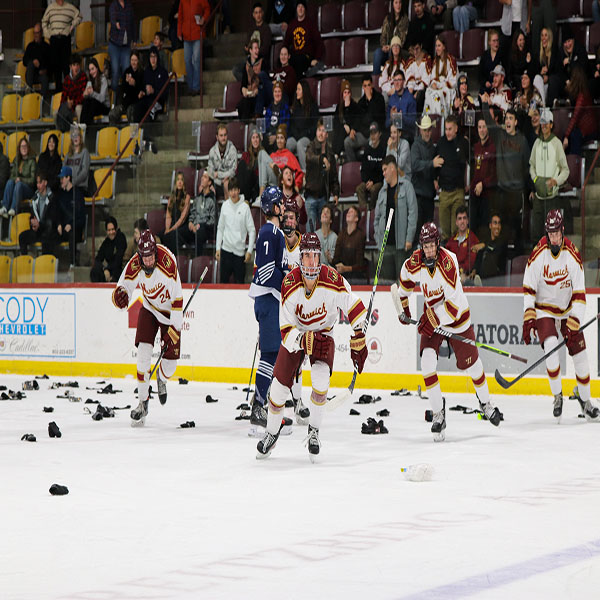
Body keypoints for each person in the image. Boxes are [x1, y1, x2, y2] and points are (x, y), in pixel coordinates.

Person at [256, 232, 368, 461]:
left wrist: (359, 335)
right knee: (277, 389)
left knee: (320, 383)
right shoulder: (289, 283)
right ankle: (271, 432)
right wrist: (302, 340)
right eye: (307, 256)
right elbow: (285, 330)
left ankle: (314, 431)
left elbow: (354, 305)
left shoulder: (333, 279)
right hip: (296, 337)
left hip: (323, 334)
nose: (312, 262)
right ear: (300, 258)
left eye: (315, 256)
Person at [395, 221, 502, 442]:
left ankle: (486, 402)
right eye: (426, 246)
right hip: (432, 317)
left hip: (456, 318)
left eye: (433, 245)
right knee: (426, 364)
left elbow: (452, 308)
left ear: (438, 244)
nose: (430, 250)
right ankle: (438, 413)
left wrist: (432, 319)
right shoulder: (415, 262)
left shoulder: (449, 262)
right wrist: (404, 308)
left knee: (473, 366)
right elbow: (404, 281)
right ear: (421, 247)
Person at [522, 209, 598, 422]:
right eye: (550, 233)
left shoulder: (572, 254)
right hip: (545, 309)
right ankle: (557, 397)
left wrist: (574, 325)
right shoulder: (538, 254)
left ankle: (586, 401)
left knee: (581, 356)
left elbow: (580, 295)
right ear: (546, 233)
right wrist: (529, 317)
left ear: (563, 230)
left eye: (557, 233)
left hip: (567, 311)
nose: (554, 237)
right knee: (551, 352)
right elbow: (528, 289)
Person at [113, 230, 183, 425]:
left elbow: (178, 298)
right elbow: (122, 289)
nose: (149, 262)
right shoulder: (135, 265)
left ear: (155, 253)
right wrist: (120, 299)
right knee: (143, 357)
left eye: (151, 256)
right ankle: (143, 403)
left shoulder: (168, 264)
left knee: (171, 365)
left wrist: (175, 328)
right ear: (140, 256)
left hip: (169, 314)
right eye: (146, 258)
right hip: (149, 309)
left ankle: (161, 378)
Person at [248, 186, 288, 434]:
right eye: (281, 203)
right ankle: (259, 407)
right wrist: (287, 285)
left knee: (273, 355)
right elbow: (264, 271)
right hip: (269, 301)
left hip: (271, 301)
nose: (283, 206)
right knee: (270, 356)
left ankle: (264, 408)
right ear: (273, 207)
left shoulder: (275, 232)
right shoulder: (268, 232)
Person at [482, 100, 530, 248]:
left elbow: (527, 166)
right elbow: (489, 122)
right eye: (506, 118)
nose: (507, 121)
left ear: (516, 122)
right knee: (501, 230)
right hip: (501, 191)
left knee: (516, 229)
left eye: (510, 118)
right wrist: (484, 104)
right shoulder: (499, 136)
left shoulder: (522, 141)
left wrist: (528, 189)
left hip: (516, 192)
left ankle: (519, 263)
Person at [529, 108, 569, 244]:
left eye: (547, 123)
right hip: (539, 198)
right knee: (535, 234)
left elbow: (565, 170)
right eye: (542, 123)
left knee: (552, 234)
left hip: (552, 198)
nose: (544, 126)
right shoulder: (537, 143)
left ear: (551, 124)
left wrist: (555, 181)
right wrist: (536, 179)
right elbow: (531, 165)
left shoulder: (556, 143)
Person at [375, 154, 417, 281]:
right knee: (386, 284)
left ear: (393, 168)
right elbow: (376, 218)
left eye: (385, 169)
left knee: (403, 283)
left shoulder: (407, 187)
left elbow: (413, 214)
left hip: (401, 245)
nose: (383, 173)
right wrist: (378, 240)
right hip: (385, 246)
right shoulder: (382, 191)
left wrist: (409, 238)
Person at [434, 115, 468, 241]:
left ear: (456, 129)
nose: (447, 132)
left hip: (458, 191)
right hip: (444, 192)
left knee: (457, 230)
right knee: (445, 231)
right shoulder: (441, 143)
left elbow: (472, 163)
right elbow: (434, 163)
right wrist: (434, 179)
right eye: (446, 129)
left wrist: (472, 182)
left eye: (450, 129)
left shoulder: (463, 143)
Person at [215, 177, 256, 283]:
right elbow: (220, 228)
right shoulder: (225, 206)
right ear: (228, 192)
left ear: (239, 190)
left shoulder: (245, 208)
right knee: (222, 287)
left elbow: (252, 230)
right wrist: (218, 248)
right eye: (231, 190)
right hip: (226, 251)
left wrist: (249, 251)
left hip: (240, 254)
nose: (233, 193)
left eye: (235, 190)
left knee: (240, 286)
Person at [305, 120, 340, 232]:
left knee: (324, 230)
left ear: (327, 134)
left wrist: (335, 193)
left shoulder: (330, 154)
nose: (320, 133)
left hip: (324, 197)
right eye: (319, 130)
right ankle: (309, 249)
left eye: (323, 130)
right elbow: (309, 158)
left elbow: (334, 177)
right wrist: (322, 159)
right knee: (310, 230)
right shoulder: (311, 147)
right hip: (311, 196)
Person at [42, 0, 82, 92]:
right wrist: (48, 34)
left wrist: (73, 25)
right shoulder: (51, 8)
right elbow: (44, 21)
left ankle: (69, 91)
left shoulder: (69, 7)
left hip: (65, 39)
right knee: (56, 67)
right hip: (54, 39)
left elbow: (79, 16)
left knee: (66, 66)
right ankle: (58, 92)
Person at [411, 115, 438, 241]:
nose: (427, 133)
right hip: (419, 195)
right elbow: (415, 165)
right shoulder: (416, 146)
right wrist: (431, 164)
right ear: (421, 131)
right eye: (425, 130)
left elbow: (433, 170)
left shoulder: (433, 148)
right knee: (418, 229)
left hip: (429, 195)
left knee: (428, 231)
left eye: (429, 130)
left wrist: (435, 178)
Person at [469, 116, 496, 238]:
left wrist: (483, 184)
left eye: (484, 127)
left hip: (488, 195)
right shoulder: (476, 147)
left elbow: (495, 174)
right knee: (473, 227)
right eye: (479, 127)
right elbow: (474, 171)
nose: (481, 130)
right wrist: (473, 186)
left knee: (485, 229)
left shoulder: (493, 148)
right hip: (476, 195)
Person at [283, 0, 324, 79]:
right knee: (283, 61)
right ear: (296, 9)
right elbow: (286, 43)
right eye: (299, 7)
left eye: (302, 7)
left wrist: (316, 59)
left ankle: (298, 86)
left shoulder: (310, 24)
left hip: (307, 56)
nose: (300, 9)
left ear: (305, 9)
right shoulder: (292, 24)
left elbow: (319, 44)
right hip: (295, 56)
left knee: (299, 61)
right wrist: (284, 54)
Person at [19, 172, 56, 256]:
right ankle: (25, 262)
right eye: (37, 183)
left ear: (45, 183)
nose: (38, 185)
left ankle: (45, 264)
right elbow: (32, 216)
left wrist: (40, 224)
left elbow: (52, 220)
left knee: (46, 237)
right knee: (22, 236)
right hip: (37, 230)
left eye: (40, 182)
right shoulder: (34, 199)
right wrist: (32, 222)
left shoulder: (52, 199)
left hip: (47, 230)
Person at [258, 124, 303, 193]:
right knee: (261, 153)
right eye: (278, 138)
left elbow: (299, 173)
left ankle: (261, 193)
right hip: (272, 182)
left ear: (285, 141)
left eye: (281, 138)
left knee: (262, 153)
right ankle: (262, 191)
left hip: (282, 183)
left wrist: (296, 186)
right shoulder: (272, 155)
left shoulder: (289, 155)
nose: (279, 141)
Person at [178, 0, 210, 96]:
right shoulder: (182, 1)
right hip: (186, 35)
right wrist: (179, 32)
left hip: (197, 33)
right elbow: (180, 16)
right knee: (187, 61)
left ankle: (196, 87)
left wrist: (204, 18)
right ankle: (191, 87)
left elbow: (207, 9)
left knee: (196, 60)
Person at [233, 2, 272, 81]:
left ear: (263, 13)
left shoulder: (266, 29)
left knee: (257, 72)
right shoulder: (251, 29)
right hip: (250, 60)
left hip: (261, 60)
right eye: (256, 13)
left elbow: (265, 49)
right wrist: (246, 49)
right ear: (253, 15)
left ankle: (253, 82)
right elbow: (247, 45)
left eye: (260, 12)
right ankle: (251, 82)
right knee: (236, 69)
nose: (258, 15)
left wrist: (254, 52)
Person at [445, 205, 484, 286]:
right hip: (453, 276)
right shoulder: (451, 241)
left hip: (465, 276)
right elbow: (447, 261)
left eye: (464, 218)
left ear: (467, 221)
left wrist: (460, 272)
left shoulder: (473, 239)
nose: (462, 221)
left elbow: (470, 262)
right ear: (456, 222)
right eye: (459, 218)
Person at [54, 165, 85, 265]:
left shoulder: (78, 194)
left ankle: (73, 264)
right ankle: (50, 263)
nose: (61, 181)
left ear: (68, 178)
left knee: (72, 233)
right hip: (63, 229)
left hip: (75, 229)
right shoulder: (61, 195)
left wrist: (71, 225)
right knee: (49, 234)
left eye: (62, 178)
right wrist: (59, 224)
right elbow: (58, 213)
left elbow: (82, 218)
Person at [563, 66, 597, 156]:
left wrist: (566, 136)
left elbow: (575, 117)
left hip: (589, 130)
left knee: (574, 136)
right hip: (586, 129)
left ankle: (574, 163)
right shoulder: (581, 94)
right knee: (571, 136)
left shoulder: (582, 96)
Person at [287, 80, 319, 172]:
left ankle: (305, 172)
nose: (296, 91)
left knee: (300, 144)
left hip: (308, 137)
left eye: (299, 89)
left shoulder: (312, 107)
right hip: (296, 136)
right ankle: (288, 171)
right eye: (297, 89)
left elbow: (314, 126)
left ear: (304, 91)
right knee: (289, 143)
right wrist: (295, 134)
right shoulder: (296, 107)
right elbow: (292, 124)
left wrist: (304, 133)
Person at [1, 138, 36, 218]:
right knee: (10, 182)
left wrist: (21, 179)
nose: (23, 148)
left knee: (19, 184)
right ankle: (5, 208)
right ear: (19, 148)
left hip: (28, 189)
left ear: (28, 147)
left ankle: (13, 208)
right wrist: (15, 179)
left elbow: (32, 180)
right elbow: (12, 175)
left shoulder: (32, 161)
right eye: (22, 146)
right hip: (17, 188)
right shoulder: (16, 160)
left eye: (25, 146)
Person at [132, 46, 169, 122]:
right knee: (136, 109)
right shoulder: (146, 71)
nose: (153, 59)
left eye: (154, 56)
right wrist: (142, 92)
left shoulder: (163, 72)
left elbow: (165, 93)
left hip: (158, 101)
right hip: (147, 100)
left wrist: (154, 91)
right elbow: (143, 87)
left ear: (157, 57)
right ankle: (137, 133)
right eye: (151, 57)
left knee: (150, 114)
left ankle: (149, 133)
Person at [423, 35, 457, 117]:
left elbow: (453, 81)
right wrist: (434, 83)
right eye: (436, 46)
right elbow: (432, 77)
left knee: (438, 95)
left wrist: (439, 85)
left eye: (439, 46)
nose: (437, 48)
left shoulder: (451, 60)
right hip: (437, 88)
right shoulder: (435, 61)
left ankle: (440, 118)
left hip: (447, 89)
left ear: (444, 47)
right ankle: (429, 118)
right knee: (428, 92)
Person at [238, 39, 272, 121]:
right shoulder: (246, 65)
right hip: (251, 94)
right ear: (250, 50)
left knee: (261, 83)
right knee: (243, 103)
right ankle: (244, 126)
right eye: (255, 48)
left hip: (261, 93)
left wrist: (256, 89)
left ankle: (257, 115)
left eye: (258, 48)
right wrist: (244, 90)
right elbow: (243, 84)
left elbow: (266, 81)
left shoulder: (263, 62)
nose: (257, 50)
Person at [332, 205, 366, 284]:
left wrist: (346, 268)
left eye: (351, 212)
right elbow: (336, 257)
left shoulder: (360, 235)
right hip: (341, 273)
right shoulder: (341, 234)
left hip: (355, 275)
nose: (348, 213)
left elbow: (360, 264)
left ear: (356, 218)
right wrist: (335, 263)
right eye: (348, 212)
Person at [374, 0, 409, 75]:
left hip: (397, 49)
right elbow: (383, 35)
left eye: (400, 2)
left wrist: (390, 47)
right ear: (393, 5)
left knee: (392, 51)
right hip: (386, 48)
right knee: (377, 53)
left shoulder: (404, 19)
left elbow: (402, 39)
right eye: (396, 3)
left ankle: (391, 77)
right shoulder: (387, 18)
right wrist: (383, 46)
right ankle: (375, 80)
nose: (398, 5)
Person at [472, 212, 508, 286]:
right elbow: (479, 256)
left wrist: (484, 245)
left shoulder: (503, 242)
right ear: (490, 225)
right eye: (495, 223)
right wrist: (474, 271)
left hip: (496, 279)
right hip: (483, 277)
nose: (497, 226)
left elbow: (495, 248)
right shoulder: (486, 241)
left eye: (499, 223)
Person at [335, 79, 367, 161]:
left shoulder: (354, 106)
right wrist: (344, 127)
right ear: (342, 94)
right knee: (341, 130)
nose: (347, 95)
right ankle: (337, 154)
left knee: (346, 139)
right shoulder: (339, 107)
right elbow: (336, 124)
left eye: (348, 92)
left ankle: (336, 154)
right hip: (342, 134)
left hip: (354, 133)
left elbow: (357, 122)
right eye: (345, 92)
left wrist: (348, 108)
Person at [109, 50, 144, 124]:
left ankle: (131, 134)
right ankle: (114, 133)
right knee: (112, 114)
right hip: (125, 103)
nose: (133, 62)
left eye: (135, 60)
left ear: (138, 61)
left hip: (135, 103)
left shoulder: (142, 73)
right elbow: (123, 89)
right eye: (132, 60)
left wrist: (134, 84)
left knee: (130, 112)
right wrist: (126, 83)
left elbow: (142, 90)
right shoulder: (127, 71)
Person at [357, 122, 386, 209]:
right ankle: (364, 211)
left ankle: (372, 210)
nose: (373, 136)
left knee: (374, 189)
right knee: (359, 188)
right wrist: (366, 181)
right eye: (371, 133)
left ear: (379, 134)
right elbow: (363, 169)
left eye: (375, 133)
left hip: (379, 181)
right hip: (368, 181)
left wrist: (373, 181)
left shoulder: (383, 149)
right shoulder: (367, 149)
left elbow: (383, 171)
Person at [108, 0, 135, 92]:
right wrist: (115, 23)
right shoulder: (114, 5)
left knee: (126, 72)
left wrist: (134, 39)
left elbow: (132, 23)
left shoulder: (129, 6)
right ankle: (114, 98)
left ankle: (125, 95)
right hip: (114, 44)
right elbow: (112, 18)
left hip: (126, 45)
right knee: (115, 71)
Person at [162, 171, 191, 256]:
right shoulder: (171, 198)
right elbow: (168, 215)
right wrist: (167, 228)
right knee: (162, 235)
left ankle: (173, 259)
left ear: (184, 183)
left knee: (172, 235)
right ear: (175, 182)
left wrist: (171, 229)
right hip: (172, 225)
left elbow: (182, 219)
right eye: (178, 180)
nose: (179, 182)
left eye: (181, 180)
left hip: (183, 227)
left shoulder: (187, 197)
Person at [90, 216, 127, 282]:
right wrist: (104, 269)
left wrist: (107, 269)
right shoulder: (106, 242)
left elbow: (119, 258)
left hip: (120, 269)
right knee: (94, 271)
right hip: (108, 270)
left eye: (112, 229)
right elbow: (98, 258)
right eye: (109, 230)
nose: (111, 232)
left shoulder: (121, 238)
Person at [56, 56, 87, 132]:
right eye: (74, 65)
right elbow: (64, 96)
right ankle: (60, 135)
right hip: (70, 105)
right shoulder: (67, 79)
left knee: (78, 109)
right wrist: (66, 104)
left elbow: (84, 95)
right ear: (70, 66)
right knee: (56, 113)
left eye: (77, 65)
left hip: (79, 103)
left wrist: (74, 102)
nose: (76, 67)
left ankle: (80, 134)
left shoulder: (83, 77)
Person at [207, 124, 238, 199]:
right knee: (203, 185)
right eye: (221, 135)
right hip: (216, 182)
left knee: (226, 183)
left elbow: (233, 171)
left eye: (225, 135)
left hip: (229, 181)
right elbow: (210, 171)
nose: (223, 138)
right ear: (217, 137)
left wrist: (219, 174)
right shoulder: (212, 151)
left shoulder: (232, 149)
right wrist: (214, 181)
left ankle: (228, 209)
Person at [189, 170, 216, 256]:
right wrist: (191, 223)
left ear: (209, 182)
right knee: (179, 232)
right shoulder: (197, 198)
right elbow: (193, 213)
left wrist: (200, 225)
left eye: (205, 177)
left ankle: (197, 260)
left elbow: (212, 220)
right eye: (202, 177)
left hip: (207, 228)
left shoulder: (212, 200)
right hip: (195, 226)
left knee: (199, 232)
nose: (202, 178)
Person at [533, 27, 560, 109]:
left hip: (553, 82)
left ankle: (547, 107)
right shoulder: (538, 53)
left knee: (552, 80)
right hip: (542, 83)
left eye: (546, 35)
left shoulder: (555, 51)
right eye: (542, 35)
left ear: (550, 37)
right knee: (537, 78)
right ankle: (543, 106)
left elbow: (558, 70)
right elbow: (534, 70)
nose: (543, 38)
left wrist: (548, 77)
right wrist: (541, 72)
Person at [386, 70, 417, 141]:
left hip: (406, 134)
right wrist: (391, 118)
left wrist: (401, 117)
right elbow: (386, 124)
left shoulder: (410, 98)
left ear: (404, 82)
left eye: (399, 80)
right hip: (393, 133)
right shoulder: (391, 99)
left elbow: (413, 122)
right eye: (395, 80)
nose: (396, 83)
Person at [23, 22, 50, 98]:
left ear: (41, 33)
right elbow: (24, 61)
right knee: (30, 64)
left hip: (42, 73)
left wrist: (45, 70)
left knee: (45, 78)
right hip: (31, 75)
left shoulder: (46, 47)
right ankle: (29, 94)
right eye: (34, 33)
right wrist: (33, 61)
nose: (35, 35)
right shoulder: (30, 46)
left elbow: (50, 63)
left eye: (37, 33)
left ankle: (41, 102)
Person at [80, 57, 110, 125]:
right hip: (94, 107)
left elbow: (102, 99)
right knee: (86, 102)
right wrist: (85, 94)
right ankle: (82, 125)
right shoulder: (90, 81)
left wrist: (92, 93)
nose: (91, 72)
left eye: (93, 69)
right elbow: (85, 96)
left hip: (104, 107)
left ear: (97, 68)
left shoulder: (103, 79)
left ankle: (87, 126)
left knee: (93, 102)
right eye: (90, 70)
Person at [237, 126, 262, 202]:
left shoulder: (263, 153)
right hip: (246, 184)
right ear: (250, 140)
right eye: (253, 138)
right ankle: (243, 196)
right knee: (242, 164)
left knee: (249, 171)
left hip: (257, 182)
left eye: (257, 137)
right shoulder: (245, 154)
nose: (255, 140)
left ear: (259, 140)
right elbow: (239, 171)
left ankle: (246, 198)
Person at [264, 81, 291, 152]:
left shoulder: (285, 108)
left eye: (279, 91)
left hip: (279, 136)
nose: (277, 94)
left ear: (282, 93)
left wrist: (276, 137)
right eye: (275, 91)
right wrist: (267, 136)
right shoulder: (269, 108)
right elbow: (265, 125)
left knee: (278, 143)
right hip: (269, 136)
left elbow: (285, 126)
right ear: (273, 93)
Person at [404, 39, 430, 113]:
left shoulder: (427, 59)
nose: (415, 52)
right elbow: (409, 75)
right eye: (413, 49)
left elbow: (426, 77)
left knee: (420, 96)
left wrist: (418, 91)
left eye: (417, 49)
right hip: (411, 89)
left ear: (421, 46)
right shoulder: (410, 61)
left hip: (422, 89)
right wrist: (411, 90)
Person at [64, 128, 90, 193]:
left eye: (77, 135)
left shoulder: (85, 152)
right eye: (73, 135)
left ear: (80, 138)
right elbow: (64, 171)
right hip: (68, 186)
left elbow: (84, 172)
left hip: (80, 187)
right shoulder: (68, 155)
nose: (75, 138)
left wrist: (73, 183)